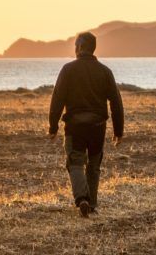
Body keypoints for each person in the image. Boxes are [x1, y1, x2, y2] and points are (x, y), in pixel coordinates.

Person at [48, 32, 124, 216]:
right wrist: (118, 130)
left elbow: (57, 98)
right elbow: (116, 101)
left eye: (75, 45)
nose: (74, 48)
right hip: (98, 127)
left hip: (75, 127)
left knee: (75, 163)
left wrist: (53, 126)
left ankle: (82, 198)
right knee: (94, 165)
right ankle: (92, 204)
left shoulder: (68, 70)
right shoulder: (105, 71)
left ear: (80, 47)